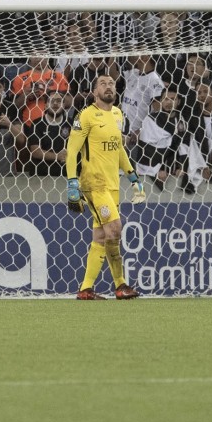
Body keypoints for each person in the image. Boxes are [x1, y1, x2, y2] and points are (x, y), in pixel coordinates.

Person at [65, 74, 145, 301]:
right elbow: (72, 151)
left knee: (101, 236)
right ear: (94, 92)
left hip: (113, 185)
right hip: (94, 184)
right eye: (103, 84)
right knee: (115, 229)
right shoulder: (86, 116)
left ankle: (86, 289)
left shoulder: (119, 114)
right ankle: (120, 284)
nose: (108, 87)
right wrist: (72, 182)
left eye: (111, 84)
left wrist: (132, 176)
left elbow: (119, 148)